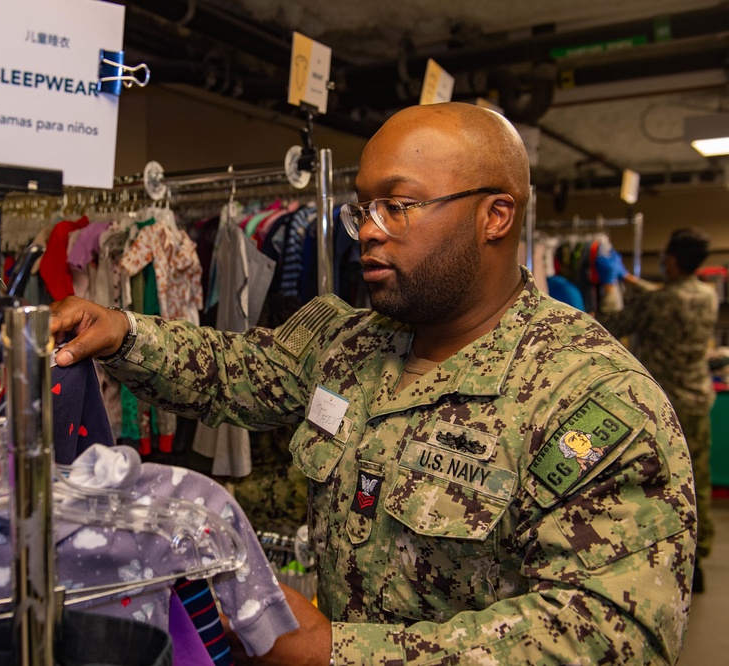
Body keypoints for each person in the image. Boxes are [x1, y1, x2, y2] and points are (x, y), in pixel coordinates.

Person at [50, 102, 696, 665]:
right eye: (363, 206)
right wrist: (124, 331)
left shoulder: (590, 398)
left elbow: (610, 636)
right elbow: (231, 370)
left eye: (399, 205)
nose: (367, 229)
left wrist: (338, 654)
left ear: (495, 215)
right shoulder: (349, 340)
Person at [595, 228, 717, 592]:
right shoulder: (707, 296)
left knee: (662, 485)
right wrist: (630, 277)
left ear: (674, 261)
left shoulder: (659, 303)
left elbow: (613, 324)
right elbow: (664, 296)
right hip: (697, 399)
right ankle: (701, 555)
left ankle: (670, 554)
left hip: (666, 409)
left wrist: (610, 286)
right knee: (700, 480)